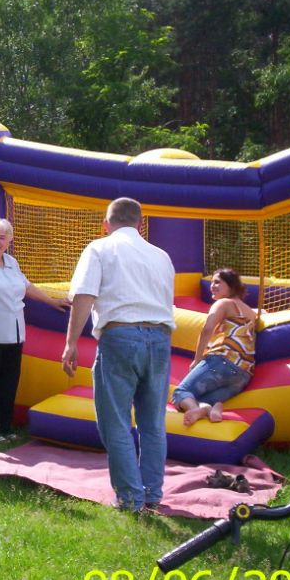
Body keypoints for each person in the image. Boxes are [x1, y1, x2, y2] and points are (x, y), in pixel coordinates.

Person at [61, 198, 175, 513]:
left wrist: (71, 342)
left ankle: (130, 498)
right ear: (141, 223)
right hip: (160, 337)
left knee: (115, 422)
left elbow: (84, 295)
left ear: (106, 225)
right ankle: (151, 493)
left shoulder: (99, 248)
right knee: (153, 423)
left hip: (120, 335)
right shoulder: (161, 256)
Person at [0, 218, 69, 442]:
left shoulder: (11, 262)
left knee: (9, 382)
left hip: (13, 333)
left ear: (9, 241)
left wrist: (52, 301)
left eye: (2, 237)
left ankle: (6, 427)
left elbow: (26, 287)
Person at [172, 268, 257, 426]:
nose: (212, 286)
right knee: (194, 399)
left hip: (223, 361)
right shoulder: (250, 312)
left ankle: (199, 409)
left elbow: (207, 329)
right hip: (243, 375)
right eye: (211, 283)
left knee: (180, 393)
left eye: (217, 282)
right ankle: (210, 408)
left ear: (231, 285)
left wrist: (197, 360)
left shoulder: (223, 303)